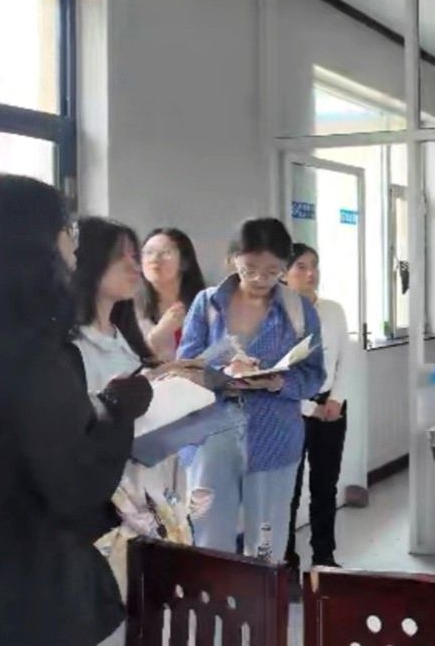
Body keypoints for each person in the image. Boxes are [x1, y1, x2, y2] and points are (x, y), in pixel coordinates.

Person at [0, 173, 152, 646]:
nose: (74, 246)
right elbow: (75, 488)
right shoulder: (26, 356)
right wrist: (117, 412)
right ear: (27, 245)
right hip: (16, 594)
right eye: (67, 229)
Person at [71, 217, 204, 612]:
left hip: (154, 488)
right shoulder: (70, 345)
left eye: (135, 255)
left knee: (152, 605)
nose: (136, 267)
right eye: (123, 257)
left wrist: (172, 383)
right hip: (108, 498)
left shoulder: (123, 336)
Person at [178, 218, 325, 556]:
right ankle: (214, 591)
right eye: (250, 270)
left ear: (284, 266)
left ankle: (263, 592)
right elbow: (184, 366)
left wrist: (279, 382)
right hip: (210, 435)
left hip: (274, 435)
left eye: (272, 271)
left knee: (266, 540)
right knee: (209, 535)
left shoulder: (298, 310)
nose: (260, 279)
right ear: (233, 260)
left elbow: (314, 374)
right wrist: (224, 372)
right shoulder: (208, 304)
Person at [283, 243, 361, 569]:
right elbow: (277, 373)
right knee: (288, 489)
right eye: (301, 266)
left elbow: (347, 357)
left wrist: (336, 399)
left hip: (331, 408)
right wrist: (307, 408)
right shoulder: (277, 315)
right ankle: (286, 560)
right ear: (284, 273)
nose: (310, 273)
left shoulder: (333, 310)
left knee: (325, 486)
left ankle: (324, 556)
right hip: (291, 410)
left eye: (314, 265)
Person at [139, 227, 208, 362]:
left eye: (165, 252)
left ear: (184, 262)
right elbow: (125, 363)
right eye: (148, 252)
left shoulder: (207, 305)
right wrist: (157, 336)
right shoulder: (128, 308)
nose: (154, 259)